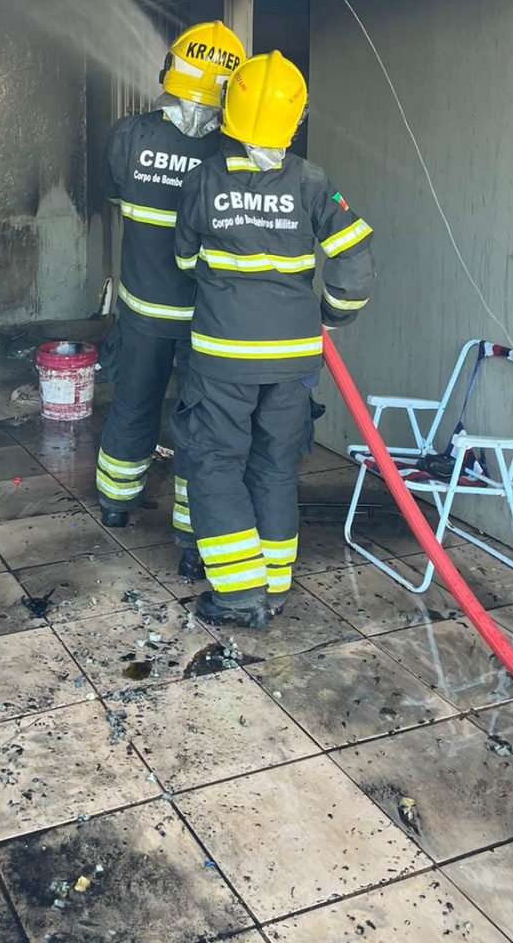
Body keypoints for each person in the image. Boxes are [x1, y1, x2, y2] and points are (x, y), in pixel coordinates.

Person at [173, 50, 375, 627]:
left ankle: (240, 594)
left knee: (215, 462)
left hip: (223, 358)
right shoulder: (313, 182)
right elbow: (354, 262)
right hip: (293, 360)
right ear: (295, 117)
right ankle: (276, 584)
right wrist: (332, 315)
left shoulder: (204, 180)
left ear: (230, 113)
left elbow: (184, 258)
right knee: (275, 463)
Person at [96, 20, 245, 527]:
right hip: (206, 318)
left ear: (171, 71)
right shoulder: (231, 153)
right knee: (200, 422)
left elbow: (114, 197)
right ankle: (191, 528)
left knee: (133, 405)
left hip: (142, 310)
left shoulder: (130, 135)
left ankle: (116, 504)